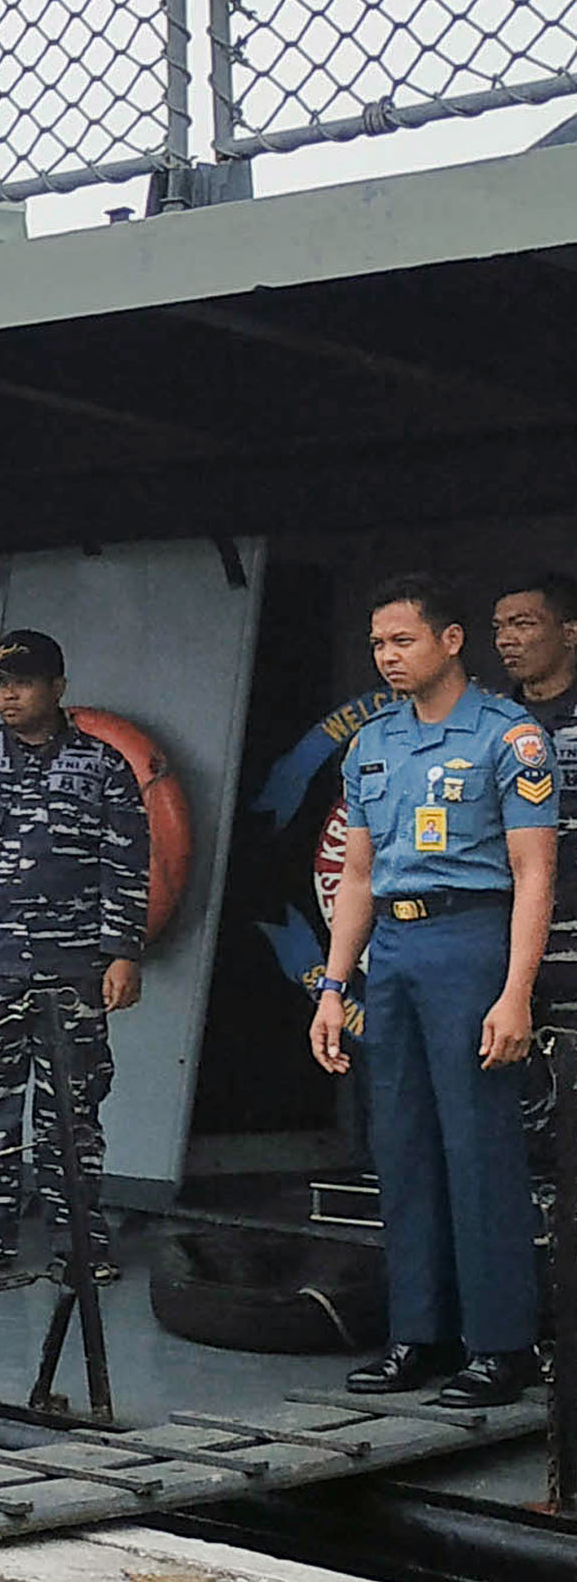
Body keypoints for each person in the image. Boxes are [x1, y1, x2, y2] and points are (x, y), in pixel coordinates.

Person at [314, 577, 560, 1404]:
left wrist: (515, 989)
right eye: (379, 644)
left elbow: (534, 874)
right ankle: (419, 1334)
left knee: (479, 1150)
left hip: (470, 939)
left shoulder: (509, 737)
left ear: (451, 640)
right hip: (396, 946)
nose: (388, 657)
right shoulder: (372, 744)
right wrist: (332, 984)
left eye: (403, 641)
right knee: (404, 1148)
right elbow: (355, 875)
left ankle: (502, 1345)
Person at [0, 631, 152, 1287]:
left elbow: (125, 866)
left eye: (23, 682)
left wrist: (122, 952)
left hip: (74, 968)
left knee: (73, 1107)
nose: (8, 695)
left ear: (58, 687)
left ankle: (79, 1241)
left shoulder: (103, 766)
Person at [493, 575, 577, 1207]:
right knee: (519, 1125)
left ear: (568, 633)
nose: (507, 640)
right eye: (498, 627)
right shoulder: (488, 723)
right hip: (506, 953)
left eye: (523, 624)